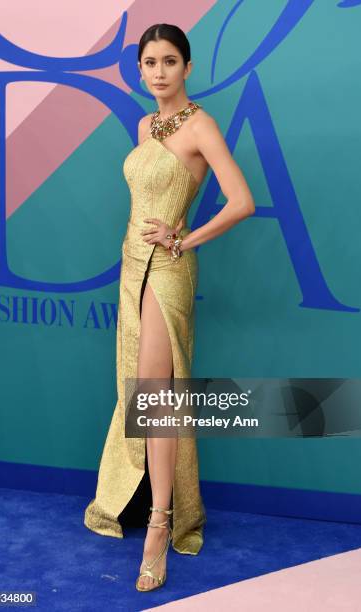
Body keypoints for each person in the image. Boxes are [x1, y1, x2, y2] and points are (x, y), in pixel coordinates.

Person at [84, 23, 255, 592]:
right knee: (141, 391)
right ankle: (155, 510)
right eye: (149, 62)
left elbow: (242, 201)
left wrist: (184, 238)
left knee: (155, 395)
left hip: (168, 272)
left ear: (187, 67)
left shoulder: (200, 126)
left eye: (169, 61)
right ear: (140, 70)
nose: (158, 72)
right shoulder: (144, 123)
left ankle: (162, 525)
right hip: (130, 265)